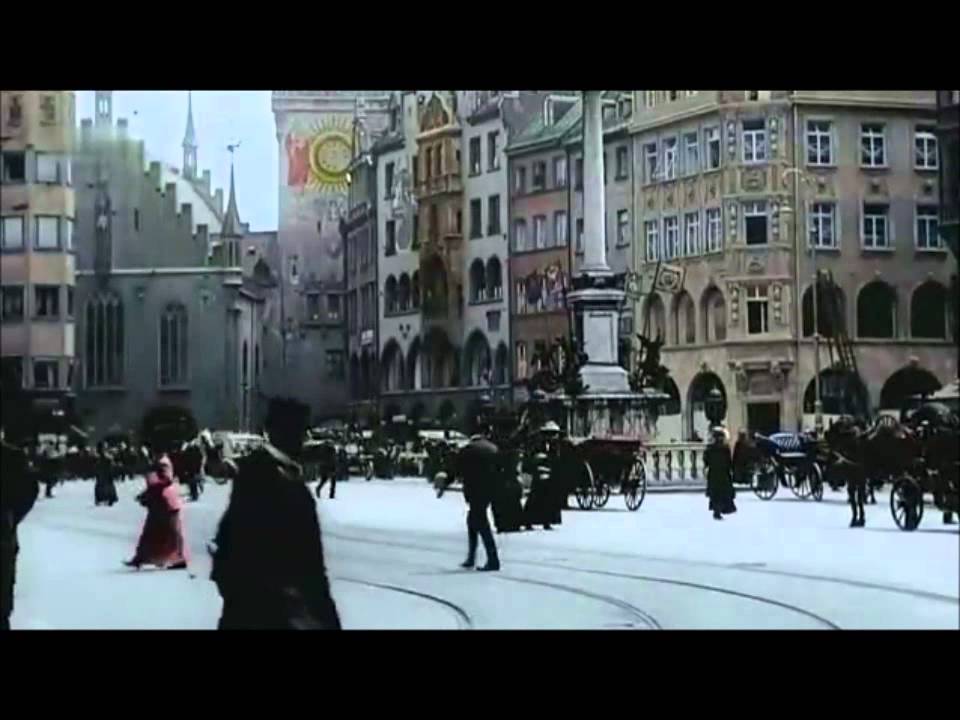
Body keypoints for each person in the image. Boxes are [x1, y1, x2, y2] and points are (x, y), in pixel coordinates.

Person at [210, 399, 341, 629]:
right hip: (280, 613)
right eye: (301, 431)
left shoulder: (253, 471)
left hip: (244, 610)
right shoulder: (285, 483)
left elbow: (226, 541)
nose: (305, 439)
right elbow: (311, 567)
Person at [437, 428, 501, 572]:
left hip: (474, 489)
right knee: (472, 520)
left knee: (481, 523)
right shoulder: (493, 448)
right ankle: (472, 557)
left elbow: (455, 470)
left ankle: (493, 560)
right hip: (490, 490)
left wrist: (445, 485)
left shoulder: (467, 450)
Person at [1, 424, 40, 630]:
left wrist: (12, 517)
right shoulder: (13, 457)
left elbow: (29, 489)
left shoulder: (12, 457)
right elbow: (29, 490)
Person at [125, 455, 189, 569]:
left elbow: (166, 480)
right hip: (160, 503)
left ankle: (176, 558)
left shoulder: (162, 463)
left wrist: (153, 489)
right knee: (154, 532)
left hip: (166, 502)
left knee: (169, 532)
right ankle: (142, 558)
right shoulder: (158, 462)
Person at [704, 426, 736, 520]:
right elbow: (729, 461)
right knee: (722, 492)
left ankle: (717, 510)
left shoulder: (710, 448)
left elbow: (706, 460)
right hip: (723, 473)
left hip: (714, 473)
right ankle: (721, 509)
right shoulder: (724, 448)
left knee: (716, 493)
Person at [94, 442, 118, 507]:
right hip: (104, 472)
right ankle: (105, 499)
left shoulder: (105, 455)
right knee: (104, 486)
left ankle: (104, 499)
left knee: (104, 486)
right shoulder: (103, 455)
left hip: (104, 472)